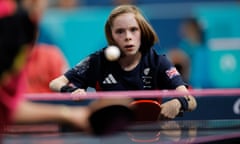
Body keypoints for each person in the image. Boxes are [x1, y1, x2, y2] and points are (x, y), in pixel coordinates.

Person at [0, 0, 132, 138]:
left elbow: (9, 108)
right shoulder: (10, 25)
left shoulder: (30, 44)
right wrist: (70, 114)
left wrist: (74, 111)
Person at [49, 5, 197, 119]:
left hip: (150, 133)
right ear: (111, 36)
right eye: (120, 31)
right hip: (111, 132)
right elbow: (55, 83)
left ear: (142, 31)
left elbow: (191, 100)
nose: (128, 37)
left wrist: (178, 103)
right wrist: (71, 91)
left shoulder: (157, 61)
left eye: (133, 30)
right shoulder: (98, 61)